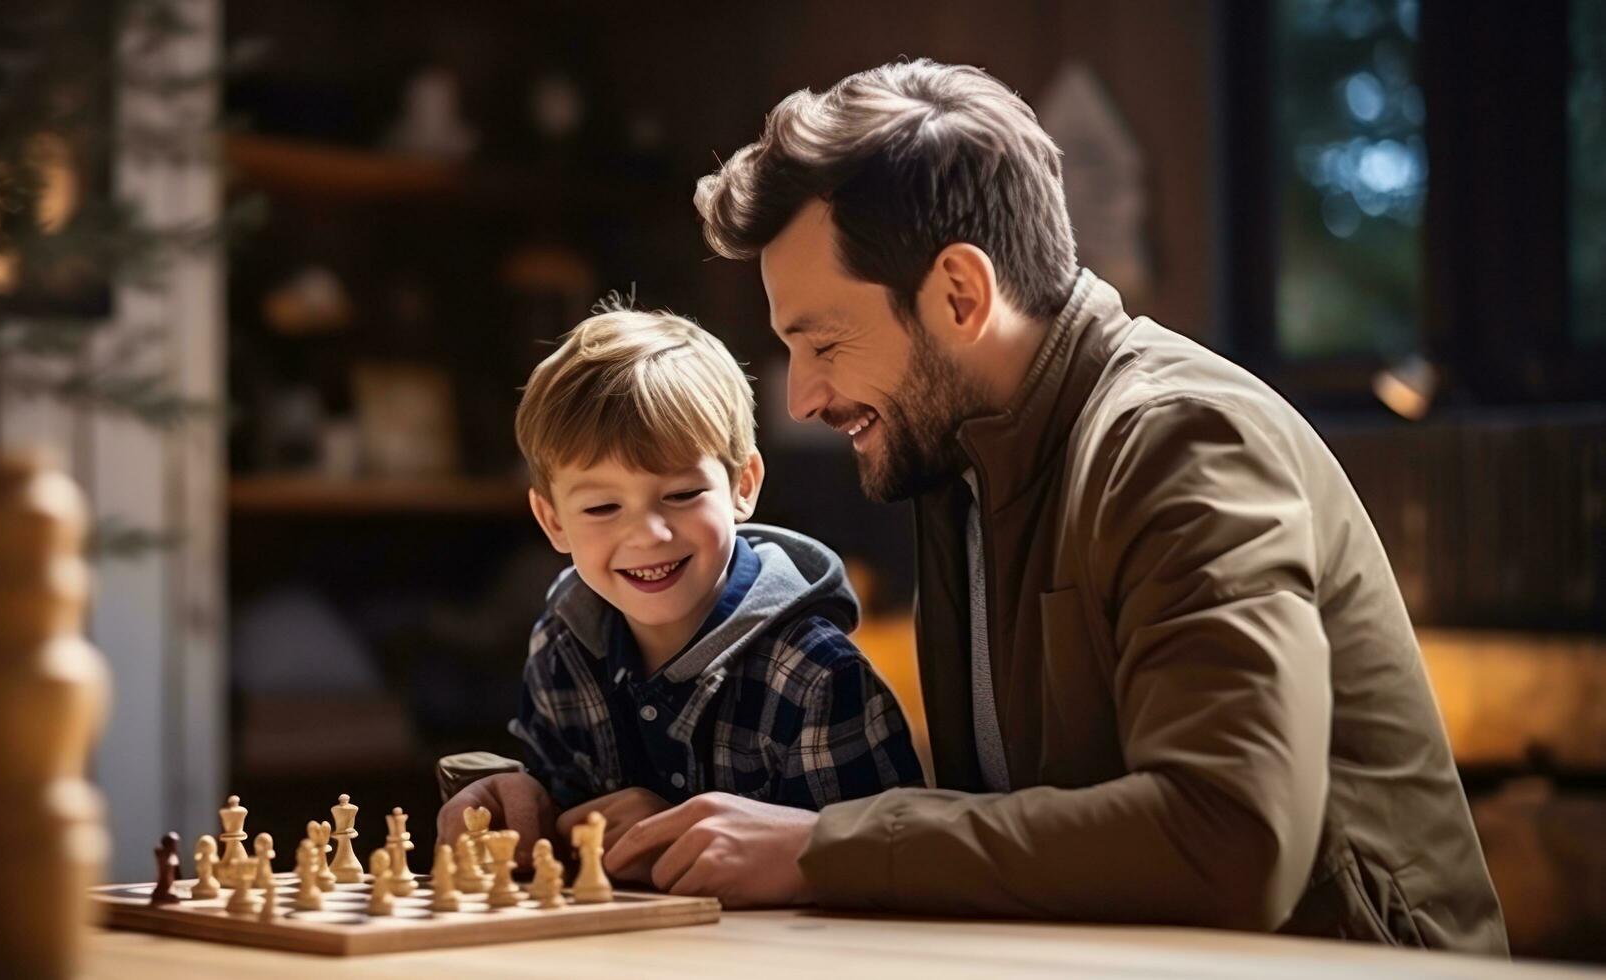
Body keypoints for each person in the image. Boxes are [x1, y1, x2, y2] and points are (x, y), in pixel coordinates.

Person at [603, 59, 1507, 954]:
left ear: (959, 293)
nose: (800, 398)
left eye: (825, 341)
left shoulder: (1179, 440)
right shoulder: (957, 457)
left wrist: (822, 850)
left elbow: (1231, 837)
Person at [439, 302, 924, 870]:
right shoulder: (560, 647)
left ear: (743, 484)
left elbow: (892, 866)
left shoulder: (816, 674)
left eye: (682, 494)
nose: (647, 533)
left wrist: (673, 824)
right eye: (601, 506)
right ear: (553, 521)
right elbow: (561, 823)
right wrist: (517, 800)